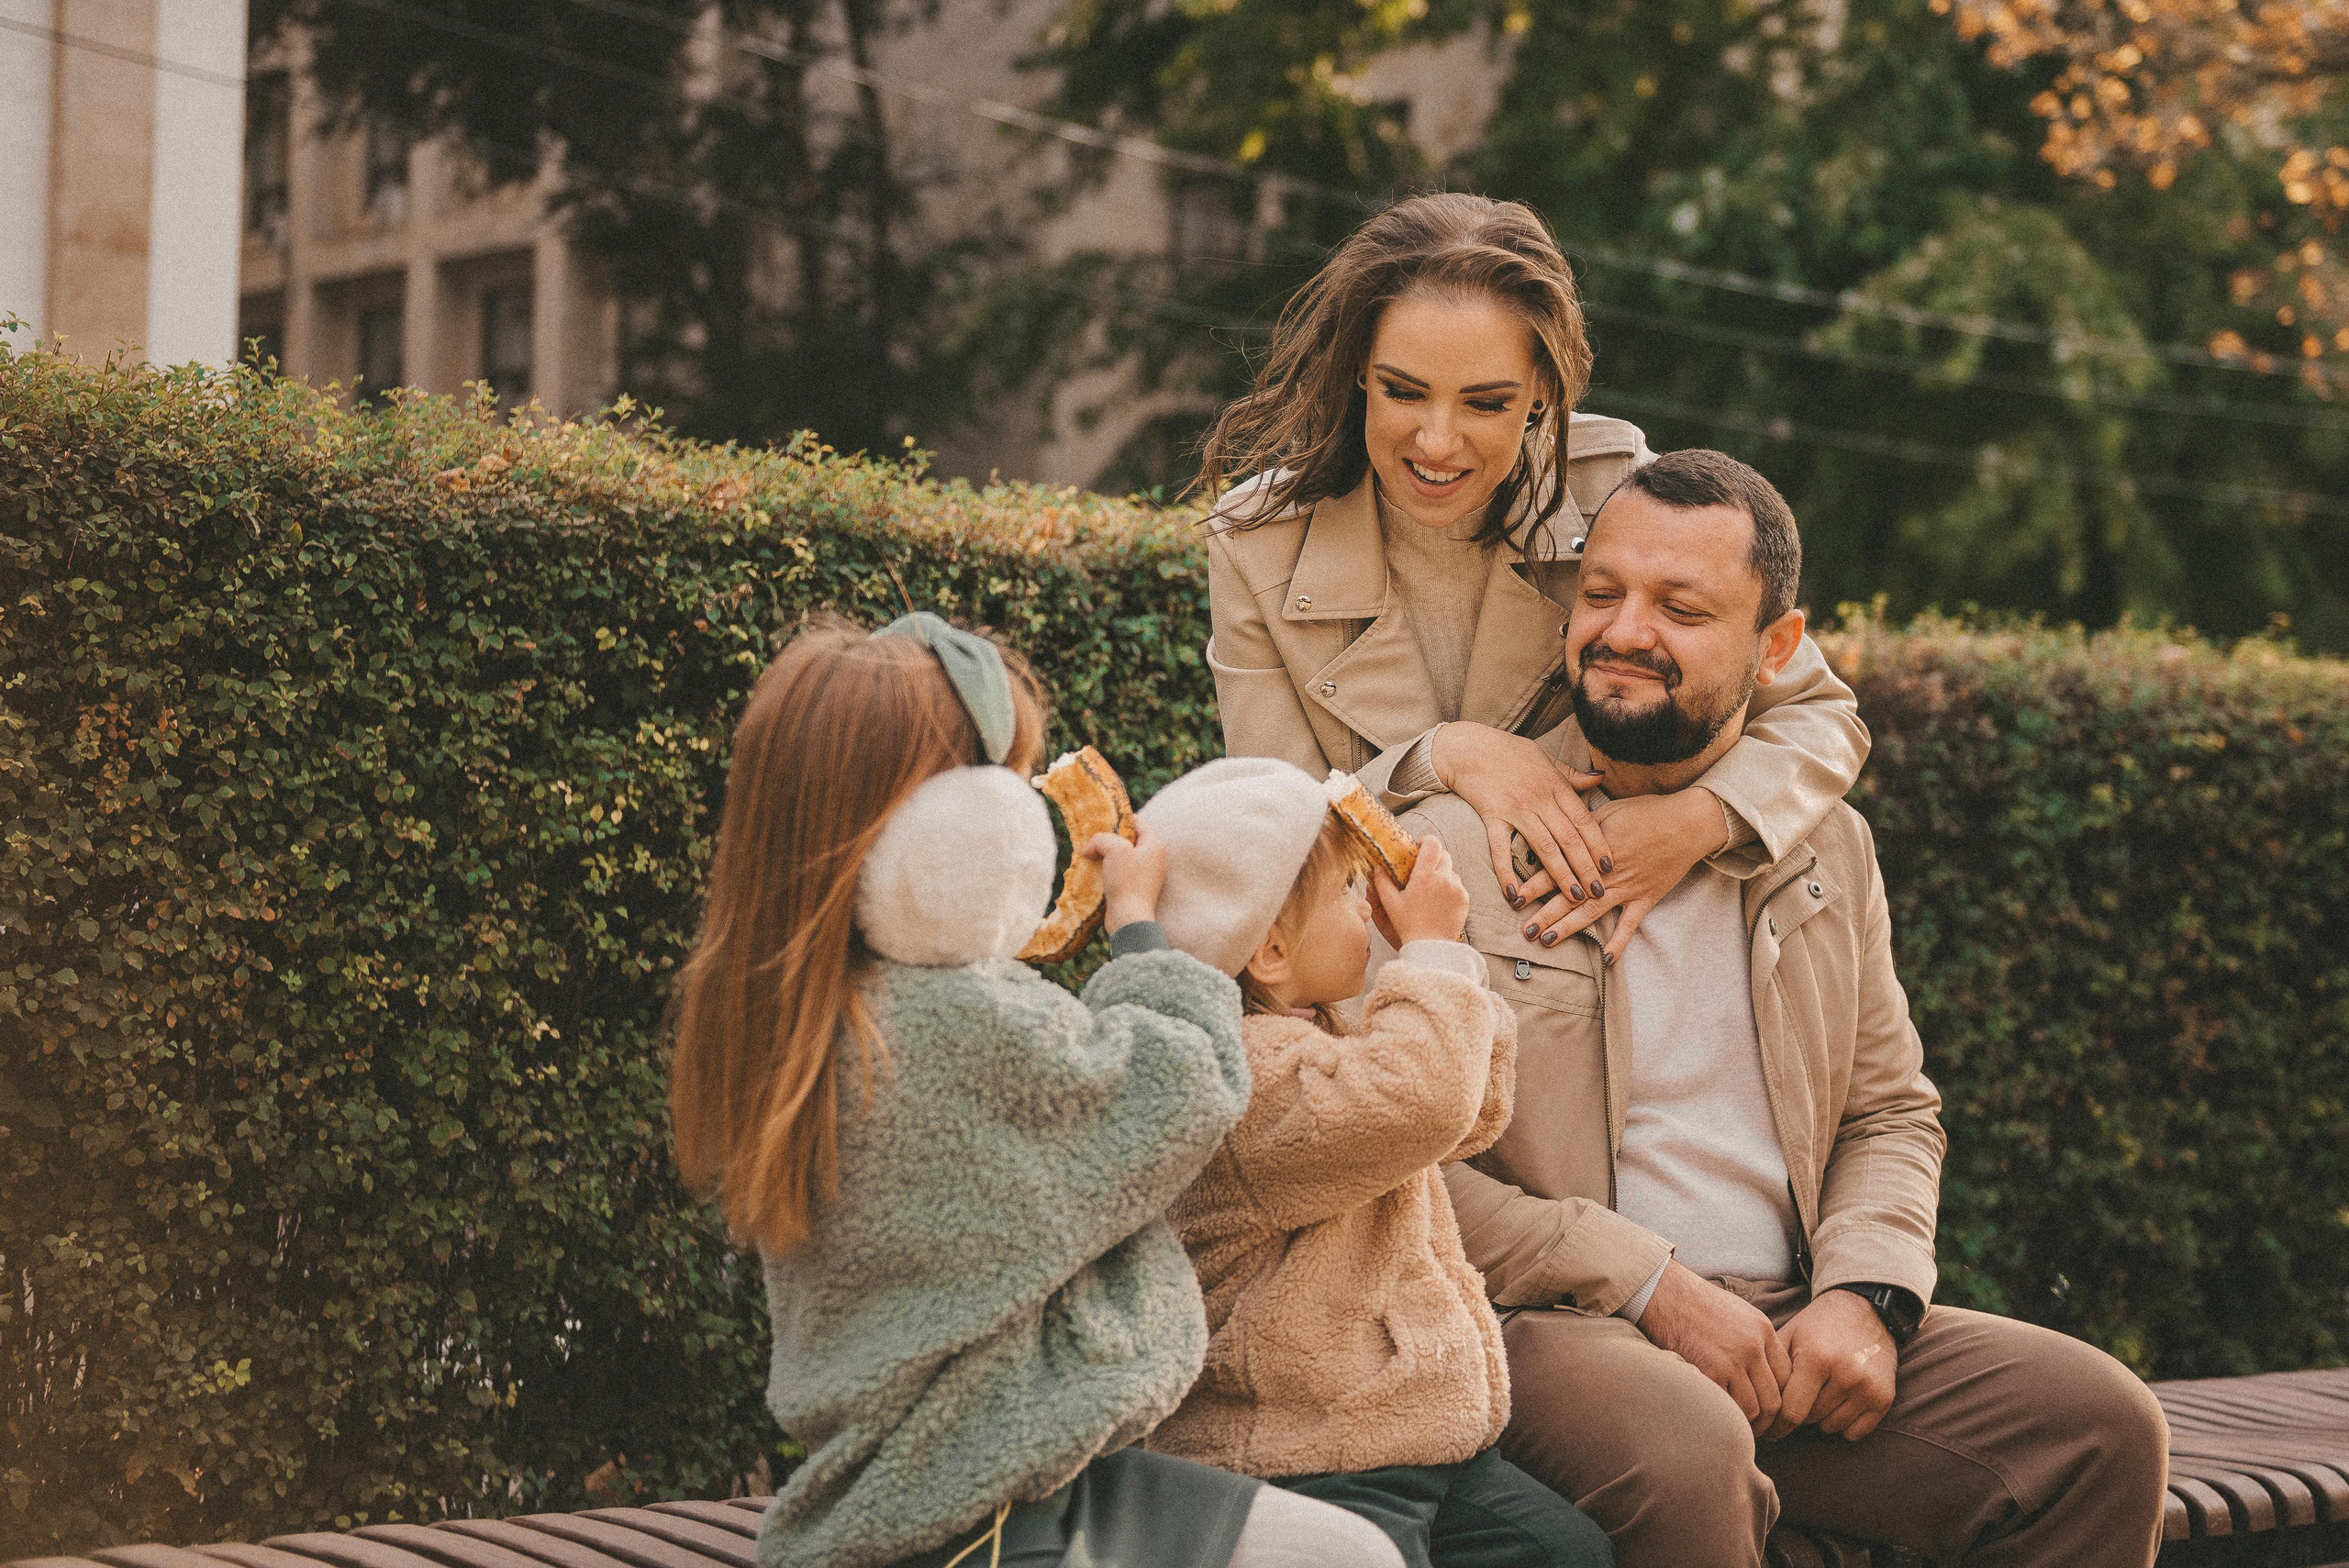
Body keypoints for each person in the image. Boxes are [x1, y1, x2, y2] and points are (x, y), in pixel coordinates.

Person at [1407, 450, 2172, 1566]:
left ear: (1775, 648)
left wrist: (1865, 1293)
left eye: (1680, 608)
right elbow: (1399, 1163)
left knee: (2098, 1427)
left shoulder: (1825, 847)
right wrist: (1647, 1281)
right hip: (1551, 1318)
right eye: (1604, 591)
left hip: (1788, 1317)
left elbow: (1888, 1111)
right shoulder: (1458, 843)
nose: (1623, 631)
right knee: (1686, 1447)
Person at [665, 614, 1406, 1568]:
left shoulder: (807, 1016)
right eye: (1000, 786)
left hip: (966, 1481)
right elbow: (1173, 1092)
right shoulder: (939, 1021)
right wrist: (1142, 932)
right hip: (991, 1509)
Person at [1198, 191, 1869, 966]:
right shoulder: (1259, 543)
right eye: (1403, 390)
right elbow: (1279, 832)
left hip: (1591, 951)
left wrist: (1696, 823)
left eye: (1487, 403)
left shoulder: (1612, 488)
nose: (1437, 442)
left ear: (1544, 389)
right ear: (1358, 370)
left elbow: (1820, 714)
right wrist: (1445, 754)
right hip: (1375, 973)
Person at [1136, 756, 1612, 1568]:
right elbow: (1423, 1101)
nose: (1368, 904)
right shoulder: (1239, 1079)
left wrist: (1443, 965)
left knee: (1565, 1552)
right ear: (1271, 950)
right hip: (1310, 1453)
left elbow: (1468, 1111)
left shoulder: (1319, 1035)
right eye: (1348, 890)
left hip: (1415, 1435)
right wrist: (1428, 950)